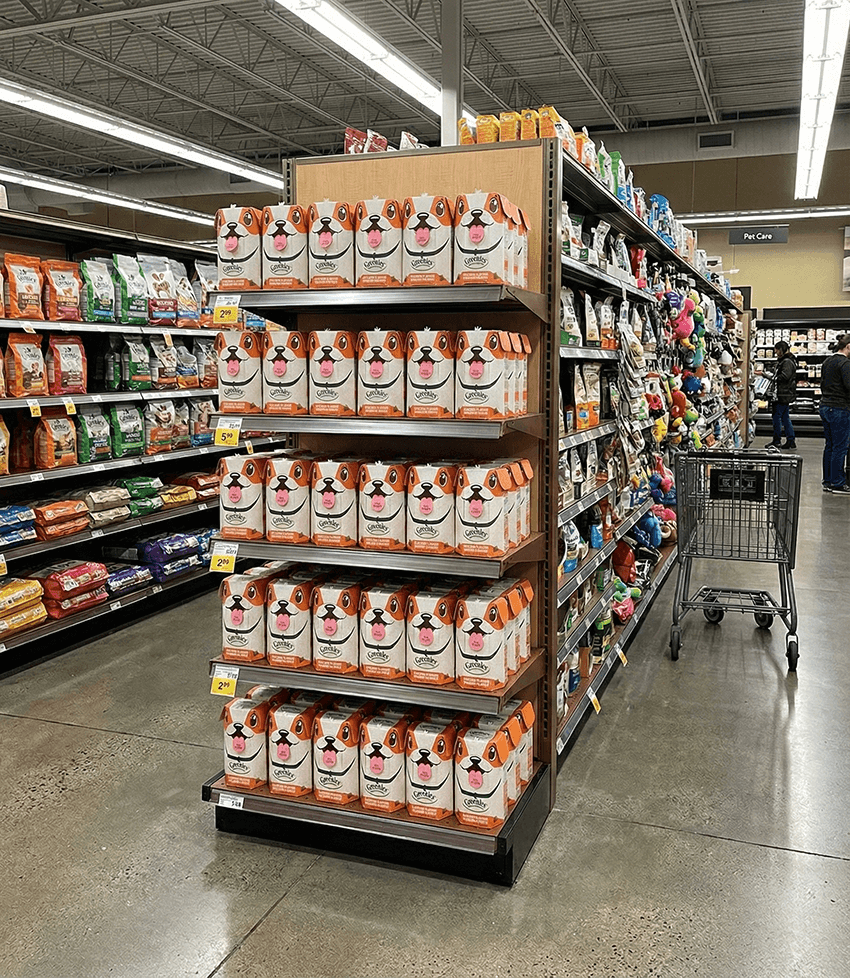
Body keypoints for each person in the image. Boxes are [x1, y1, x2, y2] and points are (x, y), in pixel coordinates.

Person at [819, 333, 850, 493]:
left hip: (825, 406)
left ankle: (828, 480)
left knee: (830, 445)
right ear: (848, 346)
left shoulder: (827, 361)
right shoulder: (845, 363)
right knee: (840, 447)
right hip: (839, 408)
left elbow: (823, 383)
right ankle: (837, 482)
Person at [764, 341, 797, 449]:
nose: (775, 352)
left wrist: (768, 376)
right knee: (784, 418)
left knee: (777, 418)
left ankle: (777, 440)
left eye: (777, 350)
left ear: (782, 349)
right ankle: (790, 440)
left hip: (781, 394)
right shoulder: (787, 361)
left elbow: (784, 377)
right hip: (783, 394)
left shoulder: (786, 362)